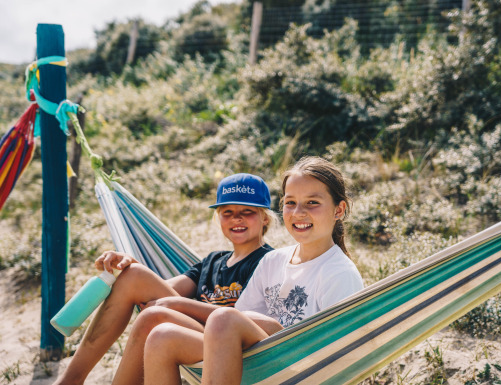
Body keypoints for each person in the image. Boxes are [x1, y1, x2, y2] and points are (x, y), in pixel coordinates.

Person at [142, 156, 364, 385]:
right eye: (290, 202)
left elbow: (342, 356)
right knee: (162, 337)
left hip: (297, 371)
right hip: (253, 361)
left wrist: (178, 305)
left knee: (225, 317)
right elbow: (235, 323)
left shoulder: (339, 274)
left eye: (312, 203)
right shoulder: (272, 261)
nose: (298, 212)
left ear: (339, 210)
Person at [53, 173, 277, 385]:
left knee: (154, 316)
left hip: (232, 344)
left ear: (265, 218)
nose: (236, 218)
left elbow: (247, 321)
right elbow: (159, 290)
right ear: (218, 217)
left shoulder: (268, 261)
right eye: (227, 212)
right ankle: (71, 380)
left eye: (247, 211)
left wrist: (173, 304)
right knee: (132, 277)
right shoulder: (213, 261)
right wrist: (126, 266)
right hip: (195, 331)